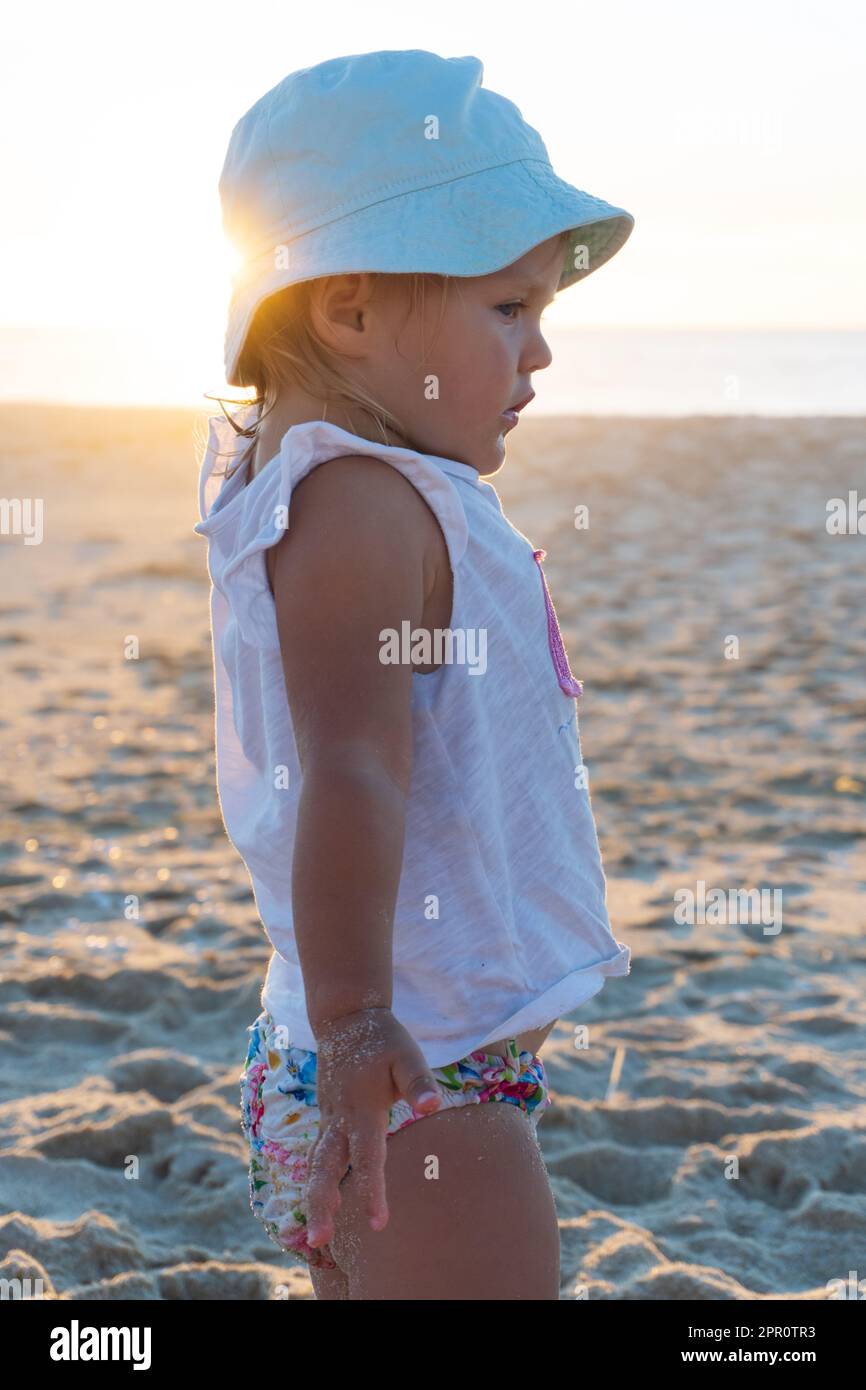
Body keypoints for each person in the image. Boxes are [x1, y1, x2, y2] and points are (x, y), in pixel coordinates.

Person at [195, 48, 634, 1300]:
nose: (538, 353)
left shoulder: (362, 490)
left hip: (386, 1057)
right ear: (347, 311)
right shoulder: (357, 507)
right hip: (413, 1073)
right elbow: (349, 766)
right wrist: (355, 1020)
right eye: (507, 310)